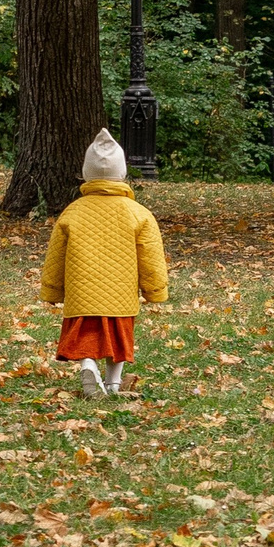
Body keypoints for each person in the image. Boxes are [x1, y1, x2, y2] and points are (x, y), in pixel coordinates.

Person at [41, 130, 169, 399]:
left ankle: (88, 366)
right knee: (119, 337)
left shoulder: (73, 211)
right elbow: (150, 256)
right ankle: (113, 383)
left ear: (86, 173)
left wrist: (52, 290)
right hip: (120, 292)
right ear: (121, 173)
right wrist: (155, 290)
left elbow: (56, 255)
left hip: (82, 292)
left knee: (86, 335)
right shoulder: (138, 213)